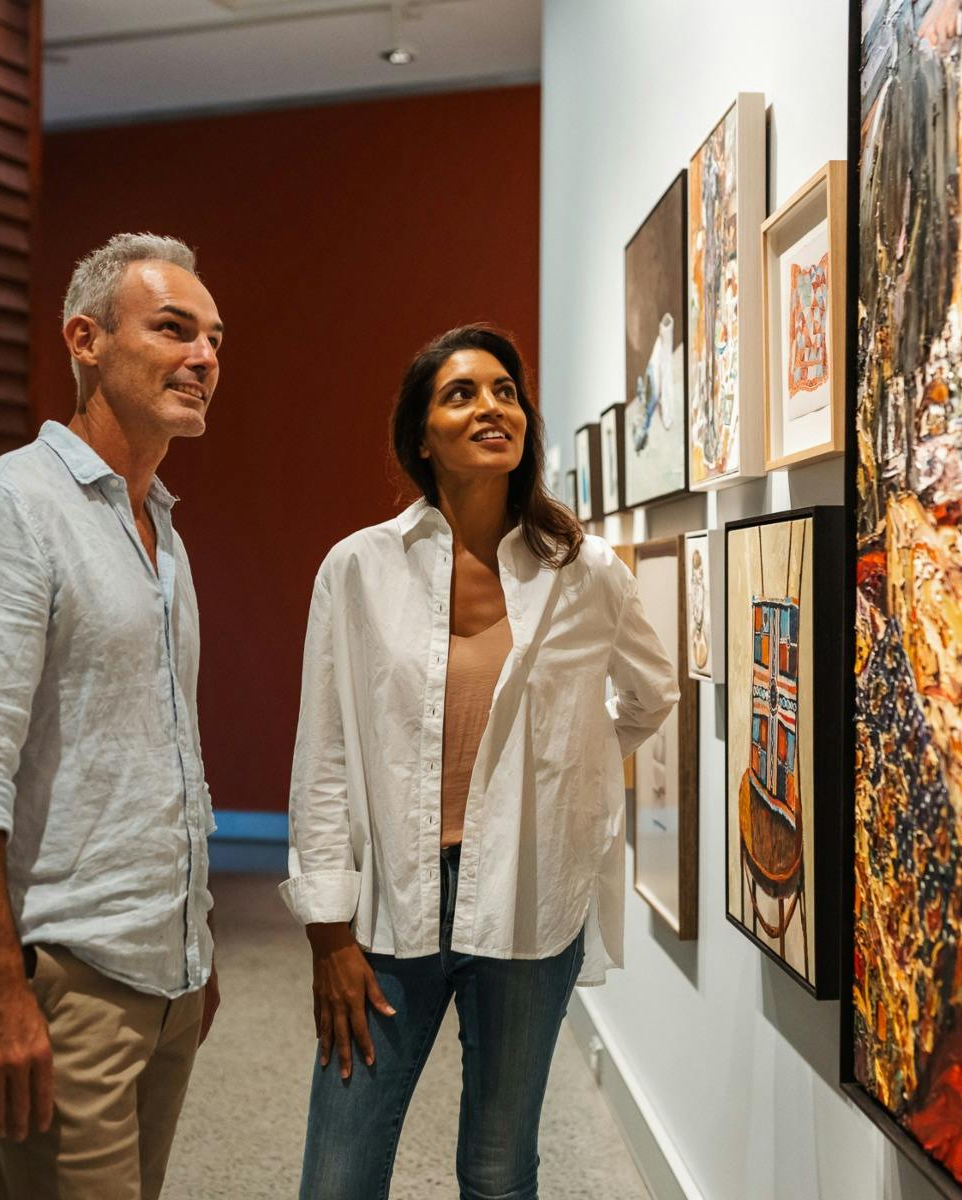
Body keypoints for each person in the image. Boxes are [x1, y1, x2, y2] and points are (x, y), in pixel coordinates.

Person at [285, 324, 678, 1199]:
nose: (491, 406)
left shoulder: (586, 571)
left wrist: (558, 779)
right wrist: (325, 932)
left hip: (532, 900)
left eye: (505, 391)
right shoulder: (358, 569)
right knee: (338, 1172)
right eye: (460, 393)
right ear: (421, 436)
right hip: (392, 902)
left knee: (500, 1171)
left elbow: (651, 695)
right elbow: (324, 756)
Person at [0, 232, 224, 1200]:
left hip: (162, 975)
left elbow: (163, 755)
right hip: (62, 978)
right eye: (173, 329)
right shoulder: (7, 512)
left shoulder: (158, 529)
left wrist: (193, 937)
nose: (204, 358)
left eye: (215, 338)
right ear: (85, 340)